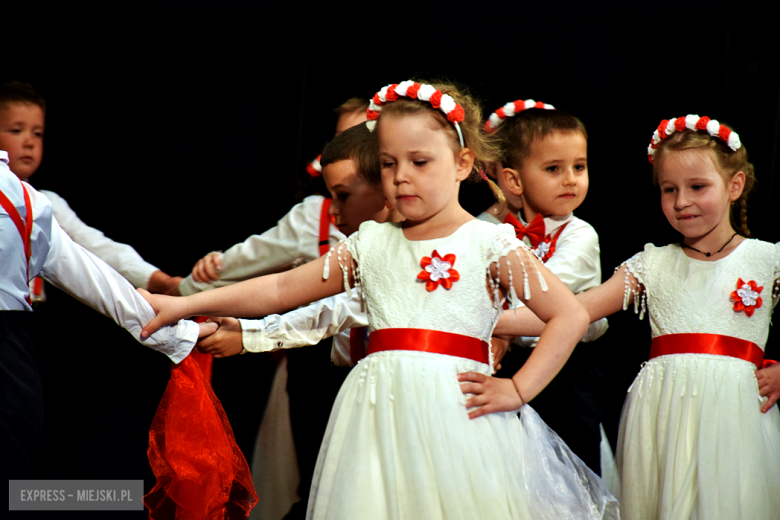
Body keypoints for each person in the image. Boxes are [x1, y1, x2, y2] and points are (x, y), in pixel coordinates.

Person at [140, 80, 617, 519]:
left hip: (457, 417)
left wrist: (518, 389)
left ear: (462, 164)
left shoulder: (488, 243)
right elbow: (282, 288)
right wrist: (184, 304)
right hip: (376, 413)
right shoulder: (371, 243)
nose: (401, 177)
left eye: (419, 162)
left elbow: (569, 315)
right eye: (389, 163)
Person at [495, 114, 780, 519]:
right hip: (662, 416)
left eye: (698, 187)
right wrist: (490, 323)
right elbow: (573, 312)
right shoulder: (651, 265)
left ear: (734, 185)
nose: (681, 201)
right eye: (669, 189)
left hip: (736, 415)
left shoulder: (767, 259)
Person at [0, 150, 215, 486]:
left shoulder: (23, 198)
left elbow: (91, 257)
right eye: (15, 129)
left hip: (12, 351)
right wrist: (178, 334)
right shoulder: (20, 196)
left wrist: (170, 307)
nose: (28, 141)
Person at [479, 99, 608, 474]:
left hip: (569, 370)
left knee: (571, 470)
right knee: (514, 471)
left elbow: (541, 303)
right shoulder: (492, 229)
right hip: (511, 364)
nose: (570, 179)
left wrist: (490, 325)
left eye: (579, 166)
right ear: (514, 180)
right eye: (554, 168)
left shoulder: (580, 235)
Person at [0, 81, 182, 296]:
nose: (30, 142)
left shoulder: (46, 204)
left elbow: (97, 247)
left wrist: (164, 283)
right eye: (16, 130)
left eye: (37, 133)